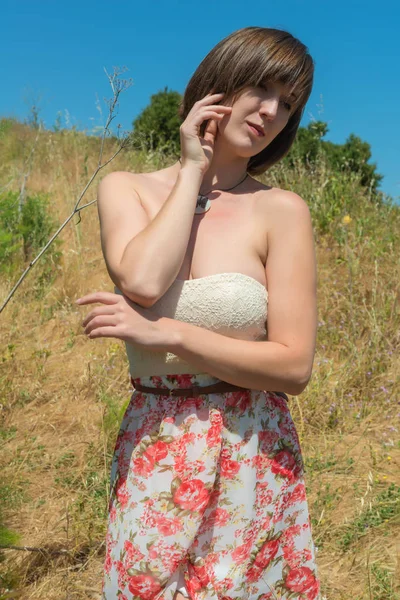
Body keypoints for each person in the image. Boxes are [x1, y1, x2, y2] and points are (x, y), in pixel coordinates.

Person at [76, 26, 319, 600]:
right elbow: (141, 278)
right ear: (219, 82)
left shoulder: (280, 210)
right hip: (157, 441)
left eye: (288, 104)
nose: (271, 112)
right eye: (260, 87)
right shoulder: (127, 189)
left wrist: (170, 334)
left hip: (253, 447)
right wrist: (192, 169)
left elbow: (293, 367)